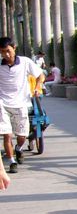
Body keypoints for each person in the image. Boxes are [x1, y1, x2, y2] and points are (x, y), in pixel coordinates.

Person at [0, 37, 44, 174]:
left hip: (21, 103)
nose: (6, 55)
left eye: (8, 51)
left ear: (14, 48)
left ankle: (18, 148)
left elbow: (40, 75)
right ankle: (12, 162)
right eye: (2, 52)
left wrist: (37, 86)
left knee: (21, 135)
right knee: (7, 135)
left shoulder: (25, 62)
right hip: (2, 103)